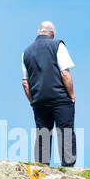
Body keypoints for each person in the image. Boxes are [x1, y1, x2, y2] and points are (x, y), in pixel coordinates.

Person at [21, 20, 77, 166]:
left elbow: (25, 83)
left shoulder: (26, 52)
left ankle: (41, 167)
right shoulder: (58, 45)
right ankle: (68, 166)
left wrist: (33, 101)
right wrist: (71, 95)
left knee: (43, 134)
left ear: (39, 32)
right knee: (65, 132)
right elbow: (65, 73)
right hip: (60, 98)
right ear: (53, 33)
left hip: (39, 100)